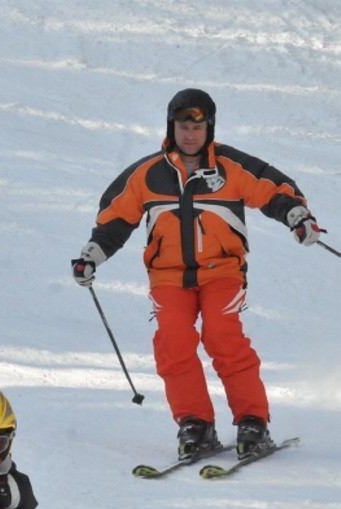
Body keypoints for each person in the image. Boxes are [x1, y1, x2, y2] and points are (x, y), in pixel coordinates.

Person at [71, 88, 322, 460]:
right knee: (173, 343)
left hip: (222, 271)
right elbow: (115, 219)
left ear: (210, 129)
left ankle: (252, 420)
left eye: (198, 127)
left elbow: (274, 190)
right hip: (168, 276)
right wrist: (92, 255)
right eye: (183, 126)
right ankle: (196, 423)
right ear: (171, 127)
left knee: (223, 336)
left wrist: (297, 216)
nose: (190, 134)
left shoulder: (230, 167)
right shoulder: (147, 174)